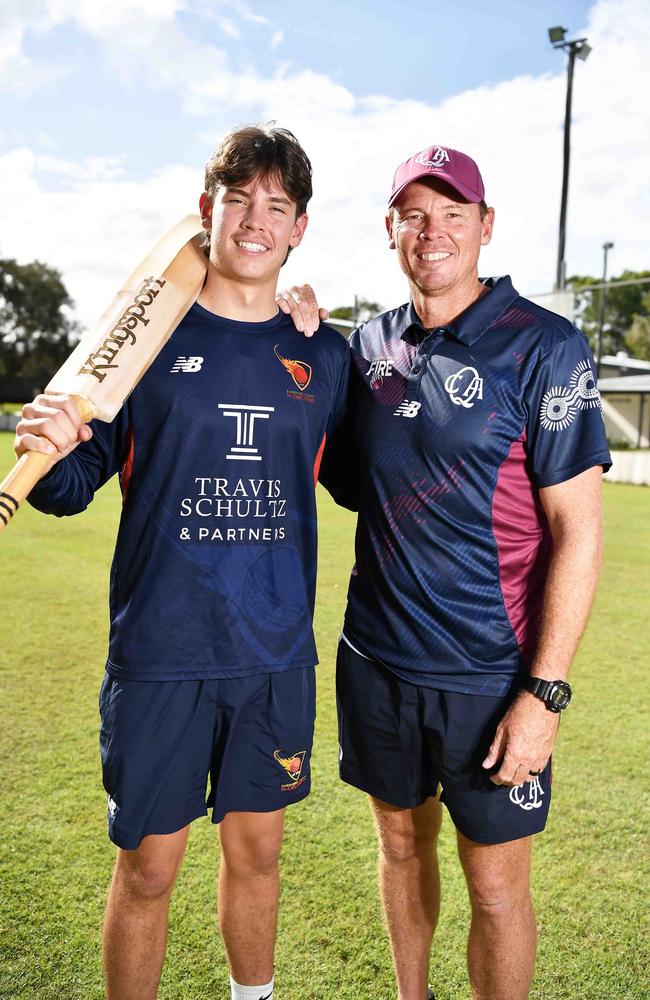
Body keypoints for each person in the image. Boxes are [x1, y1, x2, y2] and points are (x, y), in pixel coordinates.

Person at [15, 124, 349, 1000]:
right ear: (208, 208)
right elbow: (71, 486)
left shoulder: (326, 352)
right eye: (239, 199)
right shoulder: (142, 344)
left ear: (299, 228)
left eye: (276, 206)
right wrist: (49, 445)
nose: (254, 221)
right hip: (162, 651)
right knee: (150, 871)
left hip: (274, 655)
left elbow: (366, 472)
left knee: (260, 857)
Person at [277, 144, 611, 1000]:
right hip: (377, 660)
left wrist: (545, 696)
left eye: (453, 214)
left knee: (497, 889)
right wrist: (305, 353)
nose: (433, 233)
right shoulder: (372, 343)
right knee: (398, 847)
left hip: (490, 676)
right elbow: (345, 472)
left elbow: (578, 534)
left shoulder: (545, 346)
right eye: (415, 215)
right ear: (391, 229)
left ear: (485, 226)